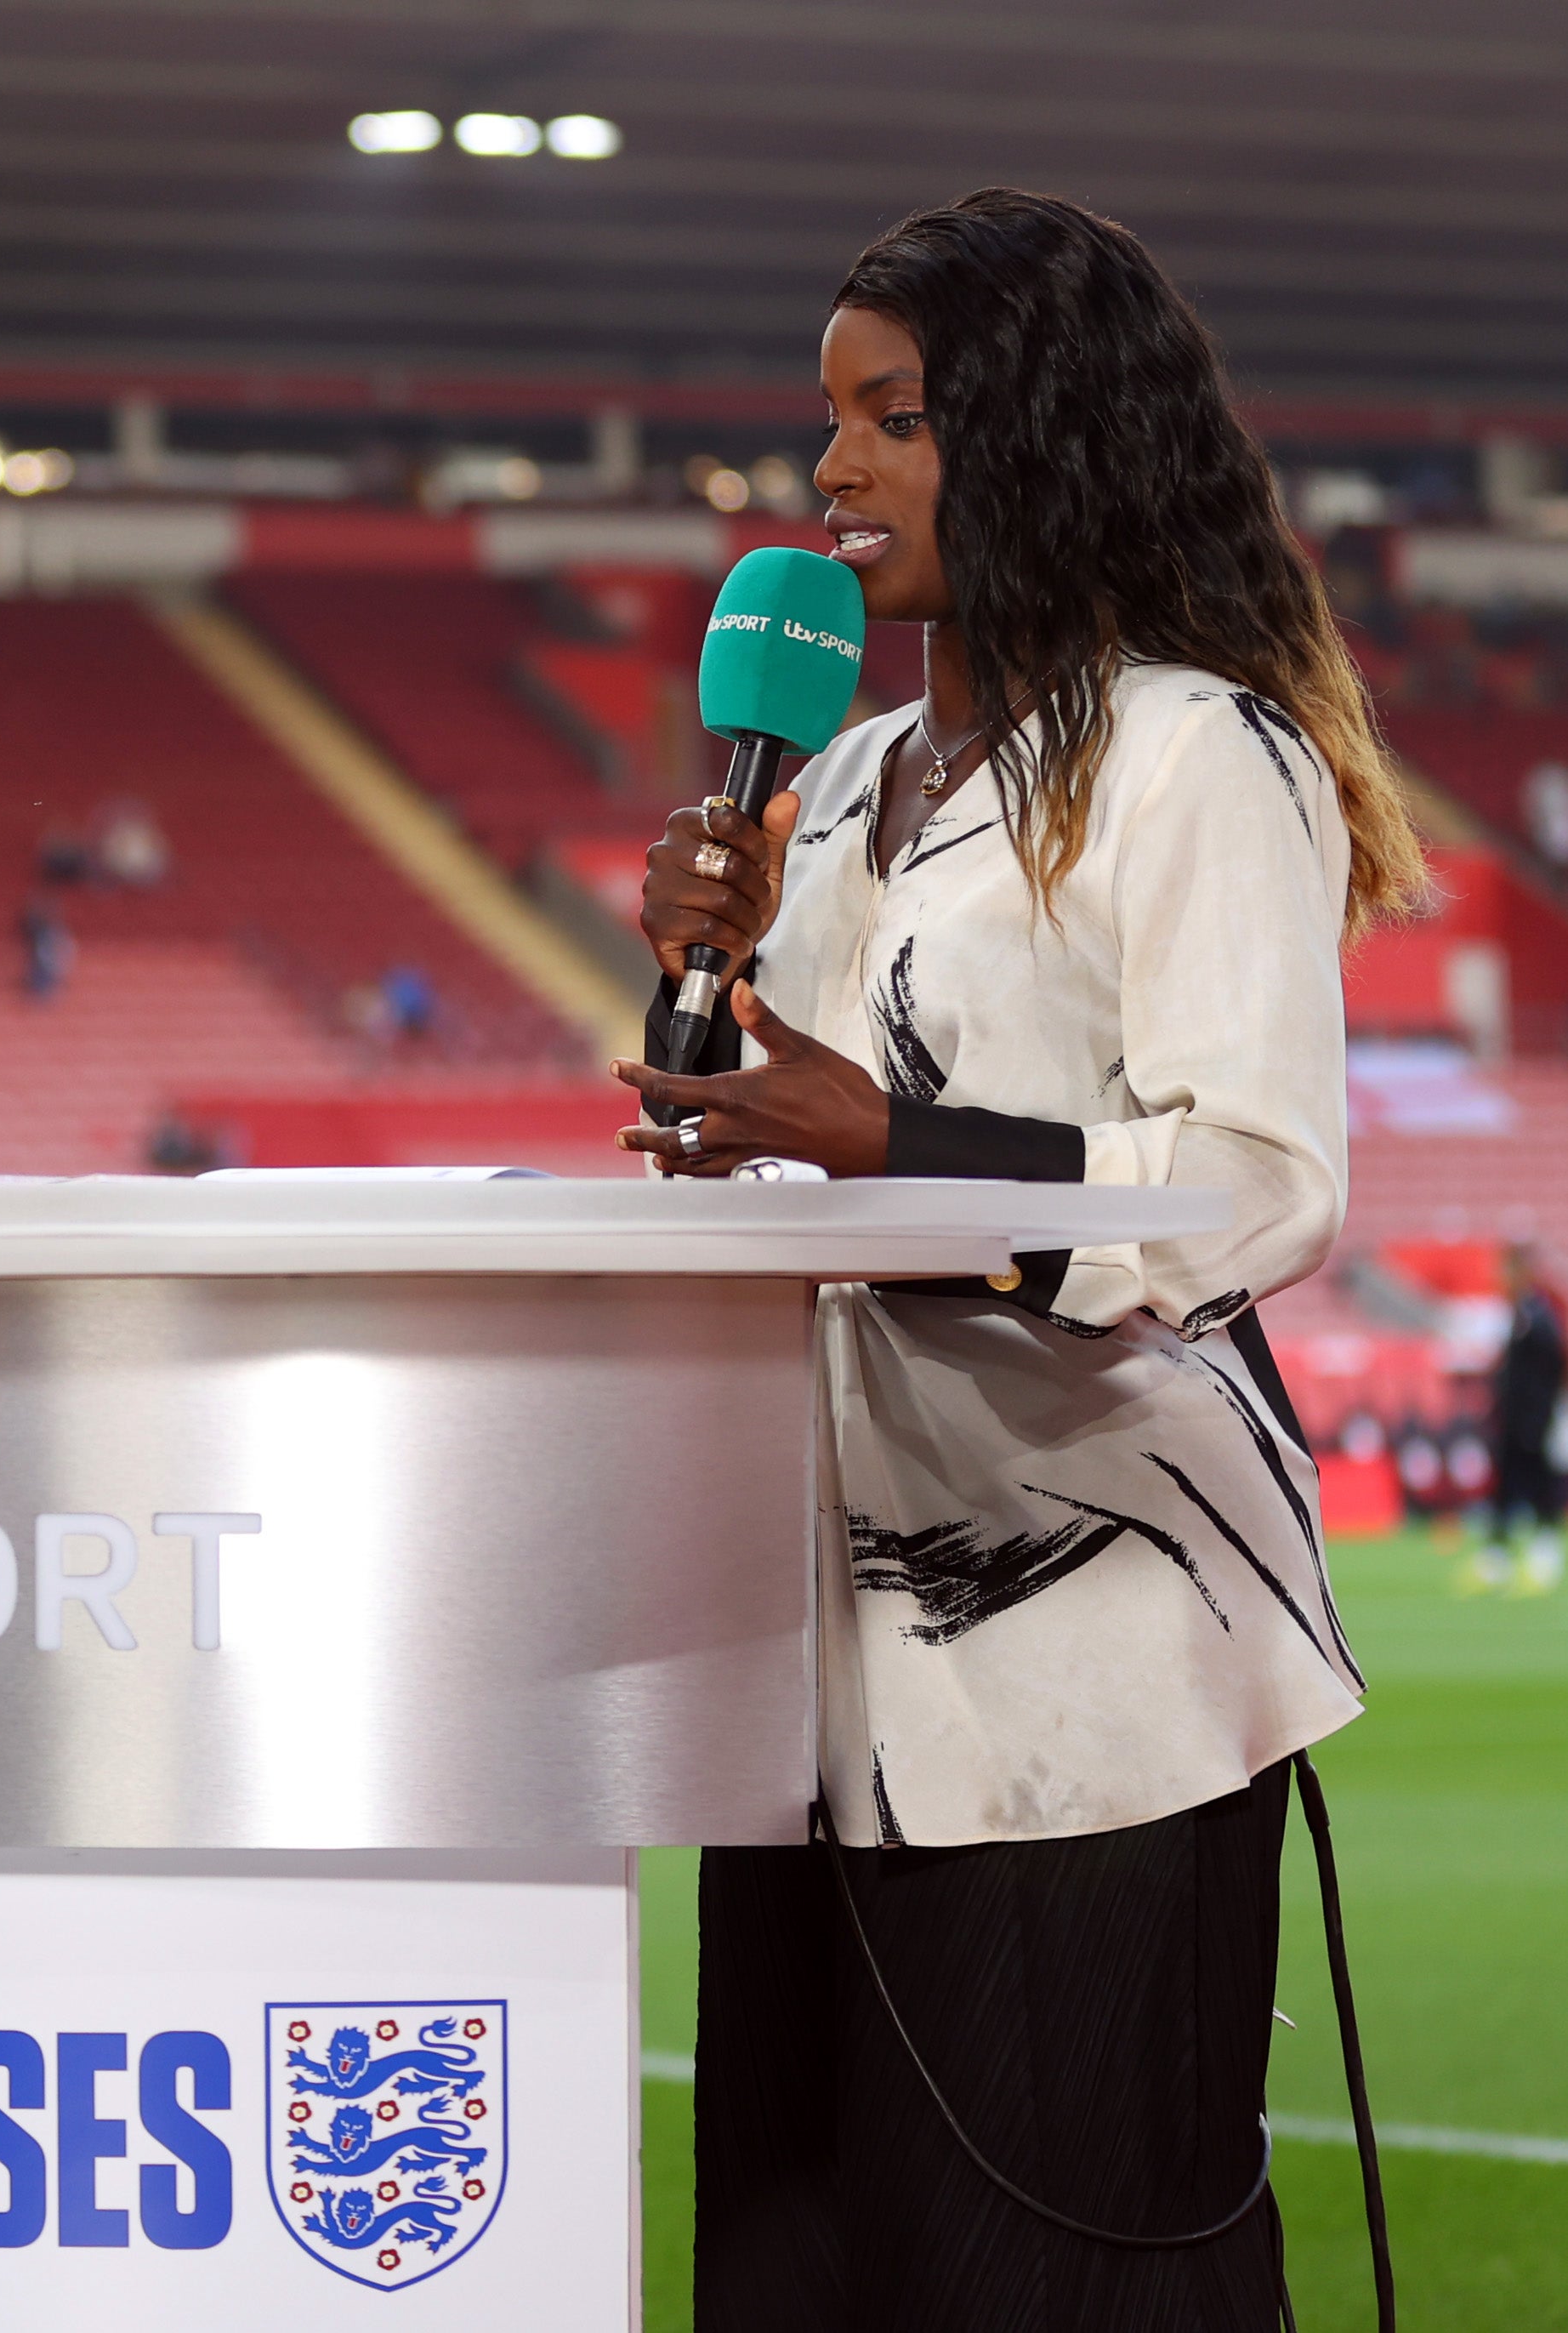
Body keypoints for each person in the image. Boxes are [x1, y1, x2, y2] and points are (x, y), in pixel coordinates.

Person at [614, 191, 1429, 2329]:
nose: (829, 471)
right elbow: (767, 1183)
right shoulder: (855, 777)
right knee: (800, 2257)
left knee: (1050, 2266)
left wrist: (897, 1147)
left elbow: (1257, 1179)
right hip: (816, 1670)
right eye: (826, 418)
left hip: (1097, 1657)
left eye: (891, 415)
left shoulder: (1195, 755)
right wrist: (696, 1022)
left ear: (1042, 433)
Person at [1475, 1243, 1564, 1593]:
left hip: (1532, 1423)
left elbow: (1548, 1372)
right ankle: (1499, 1557)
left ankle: (1544, 1556)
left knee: (1539, 1485)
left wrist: (1537, 1417)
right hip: (1514, 1422)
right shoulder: (1520, 1315)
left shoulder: (1537, 1317)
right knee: (1506, 1488)